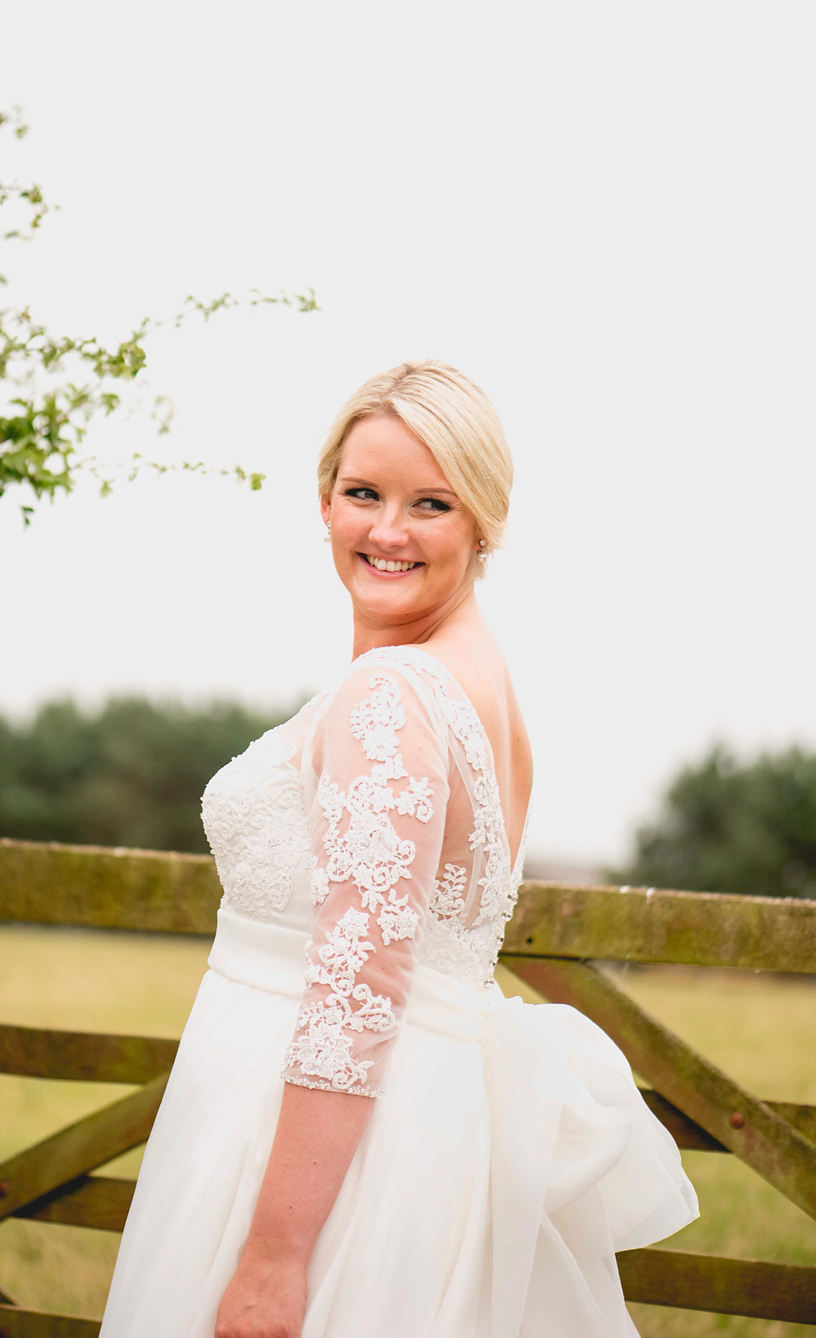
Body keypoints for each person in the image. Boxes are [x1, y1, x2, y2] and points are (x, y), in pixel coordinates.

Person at [99, 361, 698, 1338]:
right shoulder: (478, 682)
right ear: (325, 497)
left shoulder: (394, 695)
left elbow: (359, 984)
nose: (387, 530)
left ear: (483, 521)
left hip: (326, 1171)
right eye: (363, 493)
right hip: (412, 1122)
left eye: (431, 502)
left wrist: (276, 1256)